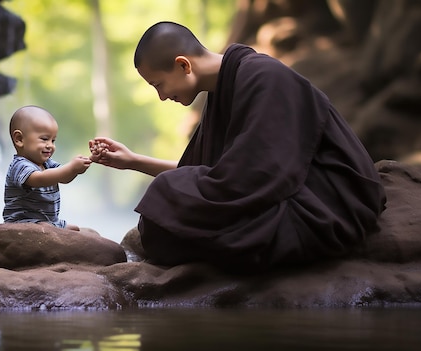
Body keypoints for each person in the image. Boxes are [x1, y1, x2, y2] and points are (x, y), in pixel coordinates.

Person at [89, 21, 386, 273]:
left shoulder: (266, 77)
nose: (162, 97)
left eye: (158, 85)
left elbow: (259, 176)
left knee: (169, 204)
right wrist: (132, 161)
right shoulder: (223, 89)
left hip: (325, 205)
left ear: (183, 65)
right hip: (277, 194)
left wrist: (177, 194)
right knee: (167, 208)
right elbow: (215, 173)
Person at [4, 105, 92, 231]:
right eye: (44, 139)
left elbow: (63, 178)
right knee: (54, 232)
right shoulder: (20, 165)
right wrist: (71, 167)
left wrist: (78, 167)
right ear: (19, 139)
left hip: (49, 221)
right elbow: (39, 179)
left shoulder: (47, 163)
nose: (50, 145)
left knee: (75, 229)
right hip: (24, 222)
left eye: (53, 140)